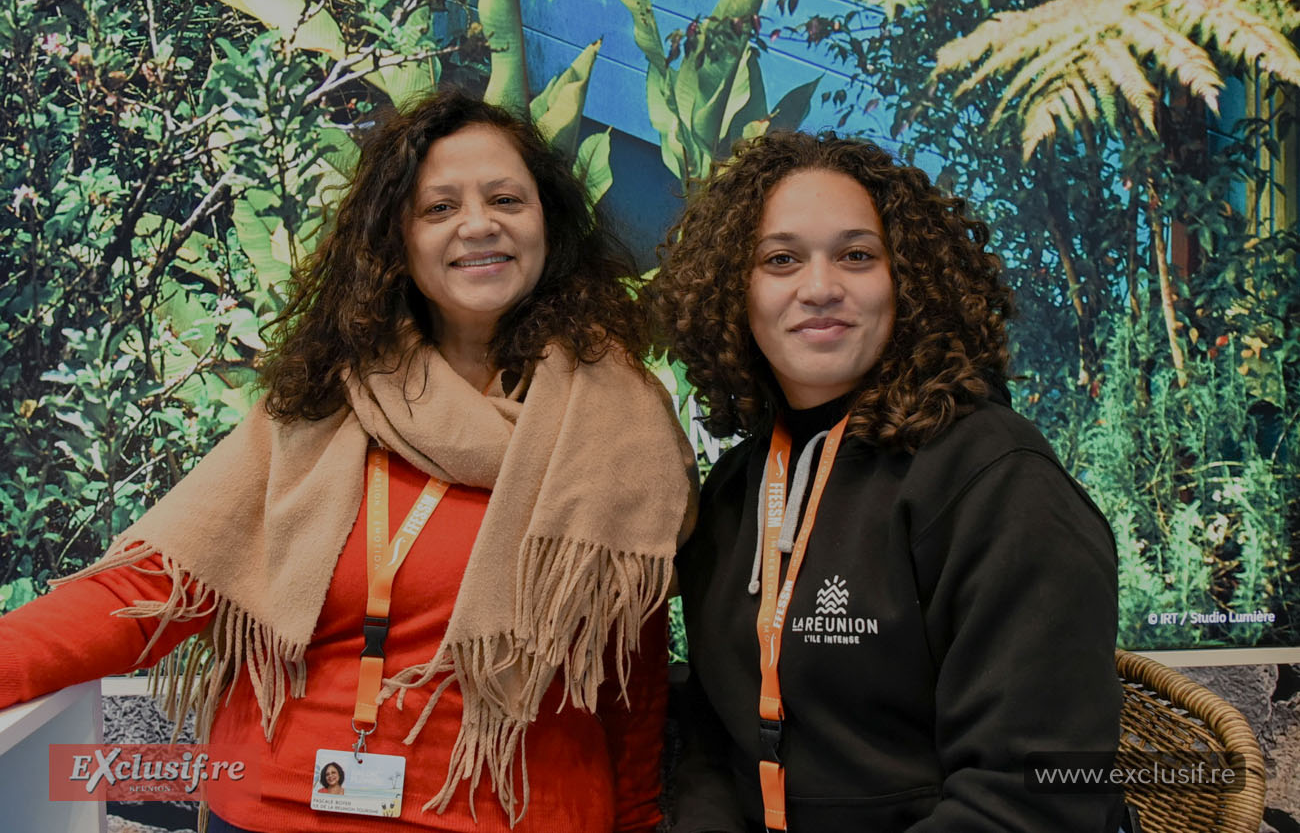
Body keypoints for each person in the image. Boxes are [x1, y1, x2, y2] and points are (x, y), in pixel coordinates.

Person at [0, 89, 696, 833]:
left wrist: (636, 821)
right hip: (278, 810)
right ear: (395, 241)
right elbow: (154, 589)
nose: (478, 224)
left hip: (514, 814)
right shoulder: (322, 399)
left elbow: (628, 672)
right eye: (438, 208)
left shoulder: (618, 420)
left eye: (505, 199)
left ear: (547, 226)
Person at [650, 130, 1122, 832]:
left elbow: (1033, 796)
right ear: (733, 293)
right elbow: (716, 748)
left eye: (857, 256)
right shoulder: (735, 490)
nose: (820, 288)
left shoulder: (994, 480)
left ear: (909, 283)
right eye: (781, 259)